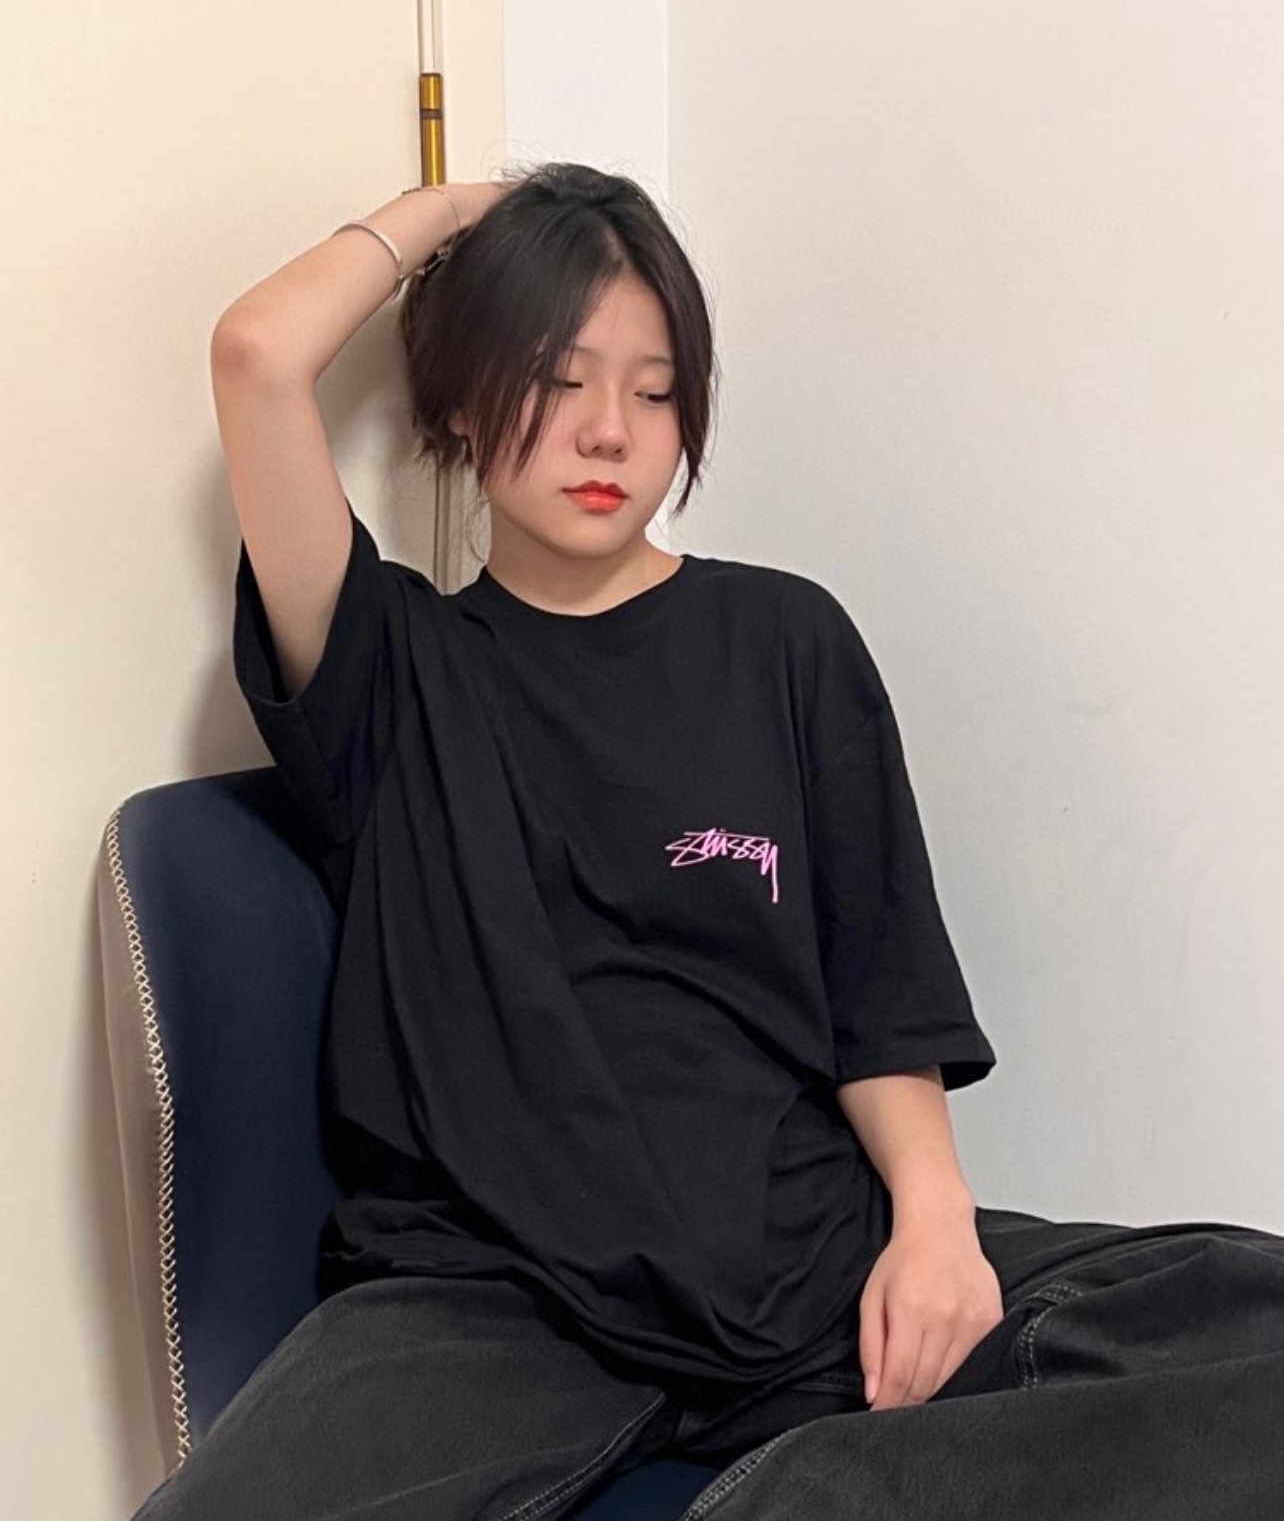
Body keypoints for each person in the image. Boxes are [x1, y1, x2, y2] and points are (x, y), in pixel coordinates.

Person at [132, 164, 1284, 1520]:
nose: (608, 432)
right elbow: (257, 355)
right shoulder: (390, 669)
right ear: (460, 399)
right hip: (488, 1301)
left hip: (805, 1268)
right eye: (556, 380)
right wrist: (461, 215)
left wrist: (933, 1226)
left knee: (1251, 1325)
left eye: (656, 390)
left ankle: (805, 1491)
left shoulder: (787, 642)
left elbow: (877, 991)